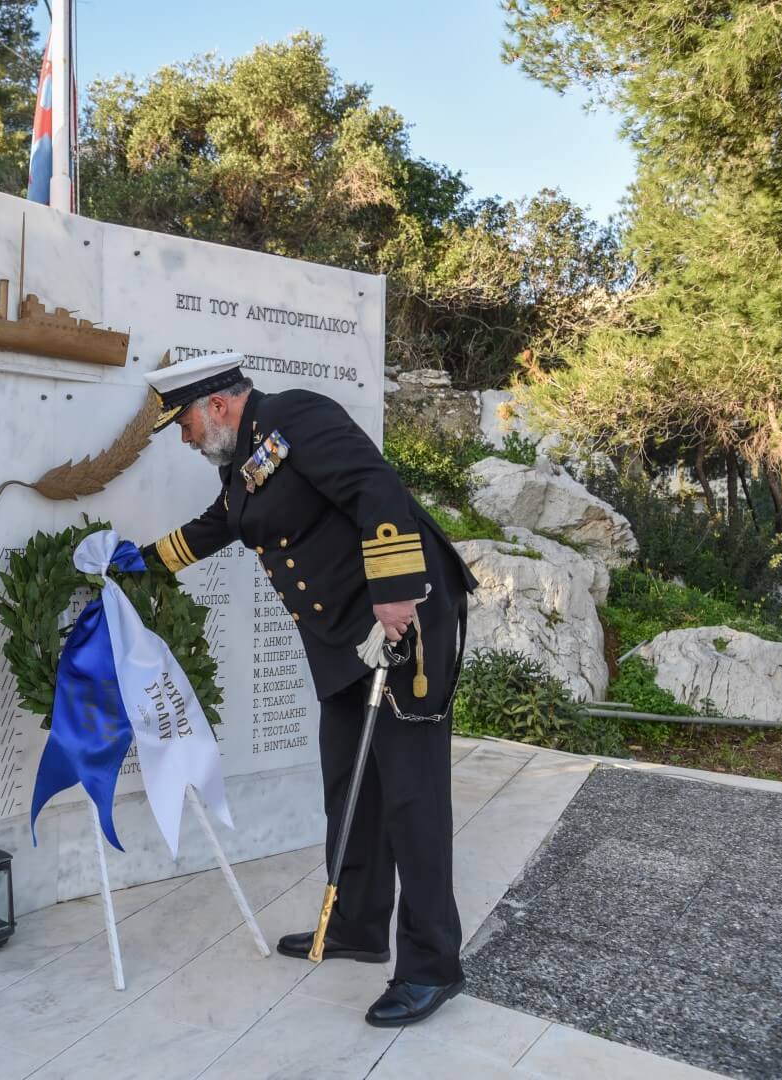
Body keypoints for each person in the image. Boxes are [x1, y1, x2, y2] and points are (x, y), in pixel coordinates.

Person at [139, 352, 479, 1028]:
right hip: (343, 644)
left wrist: (392, 596)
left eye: (182, 424)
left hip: (402, 620)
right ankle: (355, 924)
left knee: (412, 797)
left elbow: (376, 488)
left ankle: (433, 965)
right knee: (349, 780)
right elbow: (217, 527)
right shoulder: (243, 468)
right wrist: (136, 563)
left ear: (219, 406)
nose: (182, 438)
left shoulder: (296, 414)